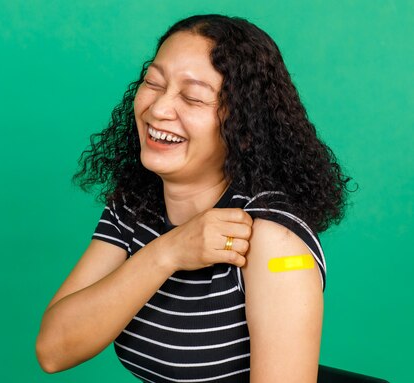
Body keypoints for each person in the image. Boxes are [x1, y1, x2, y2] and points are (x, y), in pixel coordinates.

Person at [36, 14, 351, 383]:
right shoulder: (136, 207)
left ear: (243, 128)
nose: (158, 109)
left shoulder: (273, 242)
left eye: (192, 97)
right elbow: (54, 350)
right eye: (153, 83)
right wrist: (169, 252)